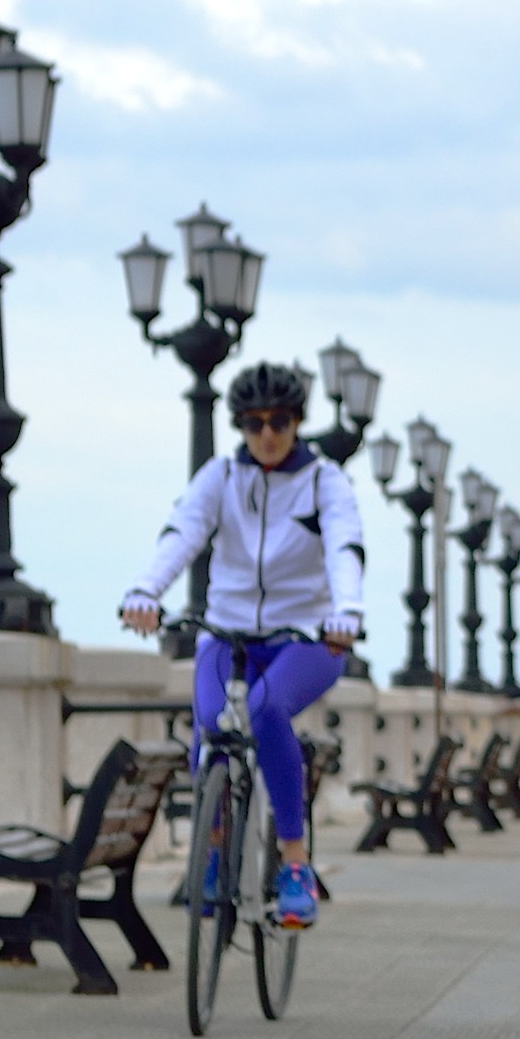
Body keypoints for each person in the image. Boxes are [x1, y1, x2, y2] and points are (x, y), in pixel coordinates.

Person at [119, 361, 365, 929]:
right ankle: (214, 847)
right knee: (210, 723)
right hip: (228, 632)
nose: (268, 435)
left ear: (299, 421)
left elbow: (345, 547)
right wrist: (145, 590)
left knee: (265, 708)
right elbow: (183, 531)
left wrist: (345, 611)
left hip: (305, 636)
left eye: (279, 422)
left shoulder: (326, 481)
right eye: (254, 425)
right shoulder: (223, 476)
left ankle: (295, 864)